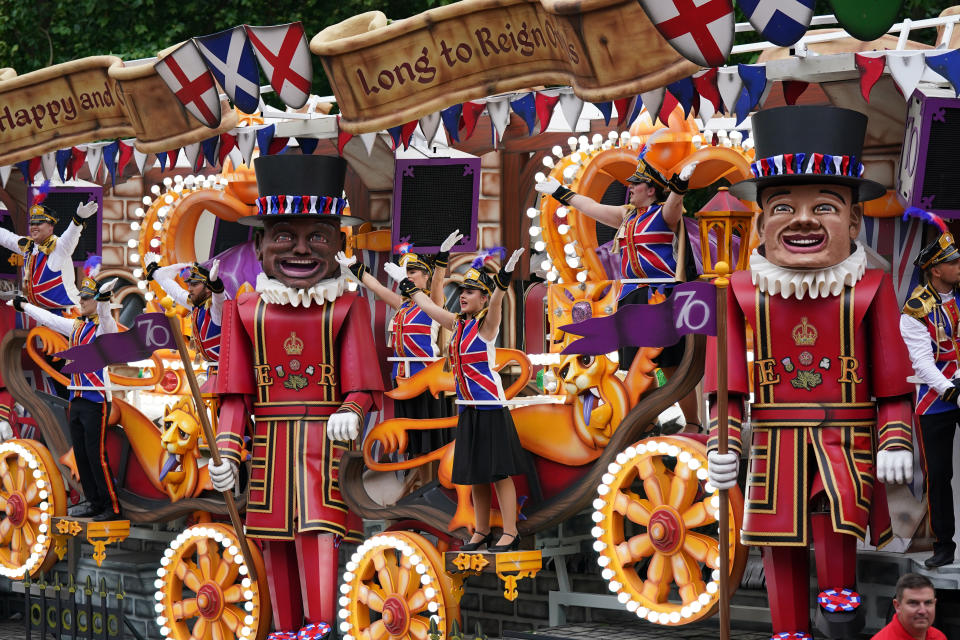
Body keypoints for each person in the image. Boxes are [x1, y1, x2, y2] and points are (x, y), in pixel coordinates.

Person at [705, 105, 915, 640]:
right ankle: (788, 633)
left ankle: (840, 623)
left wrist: (894, 439)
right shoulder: (739, 292)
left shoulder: (870, 290)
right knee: (778, 547)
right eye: (782, 207)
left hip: (843, 438)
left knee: (834, 532)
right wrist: (722, 442)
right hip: (775, 442)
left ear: (853, 221)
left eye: (824, 206)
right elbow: (725, 381)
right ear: (760, 224)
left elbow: (893, 380)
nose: (802, 220)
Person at [207, 154, 384, 637]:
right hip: (267, 448)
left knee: (318, 535)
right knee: (271, 541)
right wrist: (226, 452)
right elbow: (234, 397)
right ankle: (285, 630)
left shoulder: (348, 306)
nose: (301, 249)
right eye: (285, 236)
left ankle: (321, 628)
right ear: (261, 243)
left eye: (317, 237)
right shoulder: (242, 310)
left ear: (339, 244)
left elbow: (363, 385)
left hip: (323, 447)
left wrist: (352, 410)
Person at [534, 154, 700, 431]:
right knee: (636, 365)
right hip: (631, 296)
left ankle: (693, 423)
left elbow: (675, 203)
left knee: (671, 364)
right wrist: (560, 192)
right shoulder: (626, 215)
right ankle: (648, 420)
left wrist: (681, 185)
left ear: (651, 189)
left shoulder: (665, 215)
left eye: (637, 184)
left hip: (661, 294)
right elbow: (590, 206)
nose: (630, 187)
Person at [383, 248, 527, 552]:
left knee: (498, 473)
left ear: (483, 299)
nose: (463, 295)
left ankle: (511, 532)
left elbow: (498, 303)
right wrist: (406, 284)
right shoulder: (456, 324)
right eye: (462, 290)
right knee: (474, 473)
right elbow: (425, 303)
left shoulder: (486, 328)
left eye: (471, 292)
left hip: (490, 409)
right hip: (468, 410)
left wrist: (503, 281)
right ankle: (482, 530)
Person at [10, 265, 120, 520]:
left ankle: (111, 507)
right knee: (81, 455)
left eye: (86, 298)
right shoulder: (76, 327)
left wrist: (103, 300)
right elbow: (50, 320)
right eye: (81, 298)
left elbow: (106, 319)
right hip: (77, 397)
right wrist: (24, 306)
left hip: (96, 398)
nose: (81, 302)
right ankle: (93, 502)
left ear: (96, 301)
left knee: (96, 457)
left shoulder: (104, 329)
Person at [899, 214, 960, 569]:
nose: (958, 266)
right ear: (935, 270)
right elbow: (922, 363)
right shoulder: (914, 311)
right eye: (953, 262)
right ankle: (944, 546)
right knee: (938, 476)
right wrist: (950, 391)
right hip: (936, 398)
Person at [0, 187, 97, 314]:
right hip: (42, 313)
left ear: (51, 227)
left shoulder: (59, 247)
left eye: (39, 223)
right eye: (32, 223)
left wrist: (78, 219)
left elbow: (70, 237)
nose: (34, 227)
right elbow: (7, 238)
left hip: (68, 313)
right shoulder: (29, 247)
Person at [146, 258, 226, 380]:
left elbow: (219, 298)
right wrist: (156, 273)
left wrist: (215, 283)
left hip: (226, 374)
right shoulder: (197, 306)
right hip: (212, 372)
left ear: (208, 288)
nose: (189, 288)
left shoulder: (216, 311)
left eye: (194, 284)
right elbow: (177, 293)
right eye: (189, 284)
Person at [871, 573, 946, 639]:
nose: (922, 611)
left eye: (928, 603)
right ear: (897, 606)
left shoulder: (938, 637)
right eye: (913, 603)